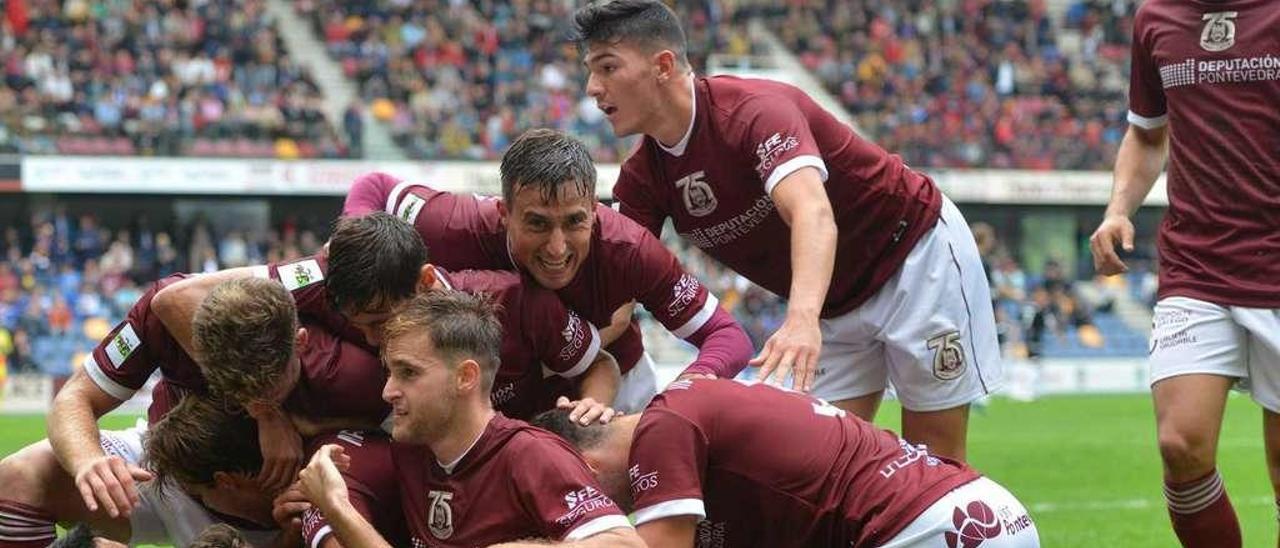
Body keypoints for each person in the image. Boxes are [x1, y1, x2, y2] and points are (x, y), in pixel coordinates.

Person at [572, 0, 1001, 459]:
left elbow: (813, 213)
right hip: (831, 302)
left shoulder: (754, 112)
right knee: (814, 464)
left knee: (935, 455)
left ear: (662, 65)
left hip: (913, 259)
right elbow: (616, 296)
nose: (593, 88)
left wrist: (800, 321)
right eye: (590, 71)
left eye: (608, 67)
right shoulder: (642, 178)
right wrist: (559, 354)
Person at [342, 128, 754, 411]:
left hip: (608, 380)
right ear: (504, 213)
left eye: (575, 221)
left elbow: (728, 336)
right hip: (494, 389)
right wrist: (350, 239)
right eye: (537, 223)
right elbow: (374, 186)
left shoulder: (630, 250)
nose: (557, 248)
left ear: (595, 211)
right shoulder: (455, 222)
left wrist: (679, 394)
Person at [1087, 1, 1279, 546]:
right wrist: (1117, 209)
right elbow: (1147, 135)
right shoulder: (1156, 17)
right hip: (1197, 264)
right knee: (1180, 444)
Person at [0, 278, 387, 546]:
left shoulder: (350, 372)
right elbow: (74, 397)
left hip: (275, 510)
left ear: (298, 344)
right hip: (163, 472)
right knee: (20, 477)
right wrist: (88, 462)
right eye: (233, 387)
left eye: (265, 386)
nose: (248, 397)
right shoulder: (167, 314)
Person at [154, 212, 621, 423]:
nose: (370, 338)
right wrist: (267, 414)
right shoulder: (322, 277)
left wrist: (591, 407)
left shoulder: (515, 302)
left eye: (380, 322)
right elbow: (177, 299)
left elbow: (599, 364)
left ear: (424, 283)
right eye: (353, 322)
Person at [297, 290, 643, 547]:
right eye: (390, 372)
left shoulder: (528, 454)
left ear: (465, 377)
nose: (388, 391)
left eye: (408, 373)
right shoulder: (411, 452)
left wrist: (336, 506)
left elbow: (627, 545)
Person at [535, 378, 1039, 547]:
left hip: (929, 531)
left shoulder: (664, 428)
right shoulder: (687, 430)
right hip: (975, 513)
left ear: (585, 470)